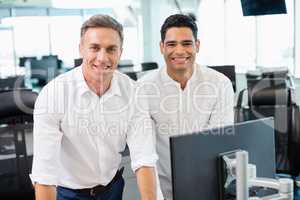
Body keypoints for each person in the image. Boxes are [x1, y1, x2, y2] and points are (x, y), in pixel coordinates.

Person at [30, 14, 158, 200]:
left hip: (112, 189)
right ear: (81, 49)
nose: (102, 57)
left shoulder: (133, 92)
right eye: (95, 48)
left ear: (120, 52)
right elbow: (44, 174)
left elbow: (144, 158)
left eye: (111, 49)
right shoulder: (53, 95)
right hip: (68, 193)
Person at [139, 14, 234, 200]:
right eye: (172, 44)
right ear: (162, 47)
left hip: (208, 186)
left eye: (186, 43)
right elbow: (144, 151)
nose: (180, 51)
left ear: (197, 45)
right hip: (163, 187)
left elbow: (217, 144)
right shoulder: (143, 88)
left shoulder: (219, 84)